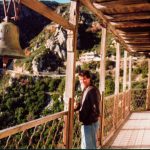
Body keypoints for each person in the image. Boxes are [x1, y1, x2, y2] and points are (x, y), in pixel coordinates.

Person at [74, 70, 101, 149]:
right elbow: (86, 104)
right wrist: (77, 106)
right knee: (89, 146)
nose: (82, 81)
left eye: (84, 78)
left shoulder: (91, 90)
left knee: (88, 147)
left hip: (90, 124)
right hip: (89, 123)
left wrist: (88, 120)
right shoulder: (87, 89)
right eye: (80, 79)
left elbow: (96, 109)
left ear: (89, 78)